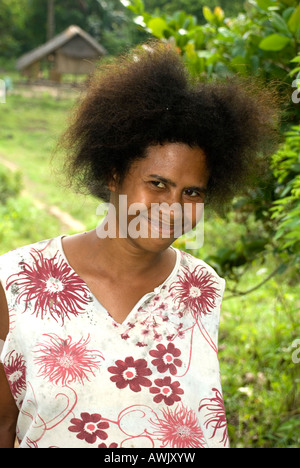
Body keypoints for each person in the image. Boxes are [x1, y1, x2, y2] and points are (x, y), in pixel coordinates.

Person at [0, 42, 278, 448]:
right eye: (158, 184)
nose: (174, 208)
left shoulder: (202, 289)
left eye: (193, 192)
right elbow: (5, 426)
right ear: (113, 174)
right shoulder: (18, 282)